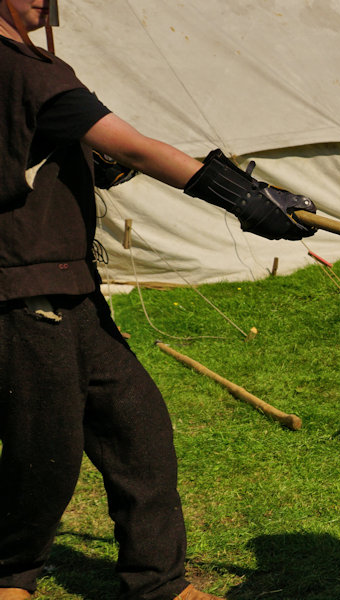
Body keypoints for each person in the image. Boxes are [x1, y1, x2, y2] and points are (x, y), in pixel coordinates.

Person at [0, 1, 316, 599]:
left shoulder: (30, 62)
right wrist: (243, 196)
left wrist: (85, 163)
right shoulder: (24, 68)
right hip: (25, 285)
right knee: (45, 452)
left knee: (136, 427)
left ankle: (156, 583)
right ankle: (10, 574)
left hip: (70, 284)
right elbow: (137, 146)